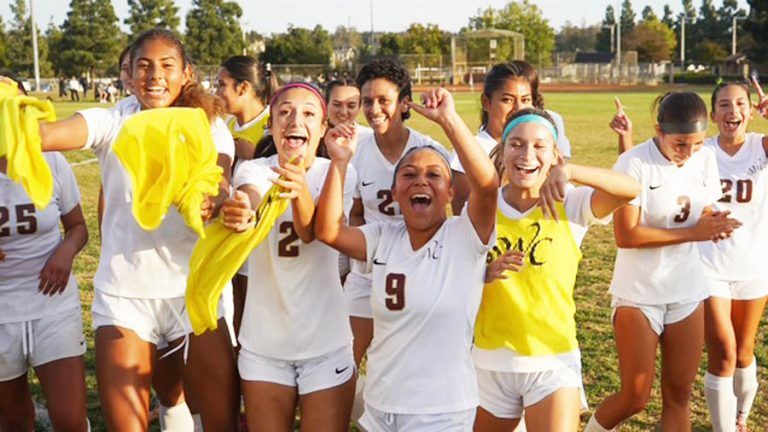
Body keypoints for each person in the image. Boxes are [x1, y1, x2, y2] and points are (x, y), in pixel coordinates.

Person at [20, 28, 240, 431]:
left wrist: (214, 199)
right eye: (144, 65)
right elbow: (46, 136)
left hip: (195, 291)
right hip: (125, 296)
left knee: (218, 420)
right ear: (129, 74)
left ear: (186, 73)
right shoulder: (113, 120)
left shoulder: (208, 124)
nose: (155, 76)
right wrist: (10, 110)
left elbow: (219, 179)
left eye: (167, 66)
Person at [315, 87, 497, 430]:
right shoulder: (384, 236)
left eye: (434, 175)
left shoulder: (465, 236)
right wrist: (339, 162)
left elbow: (487, 185)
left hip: (441, 412)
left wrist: (448, 120)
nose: (421, 181)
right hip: (381, 406)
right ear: (395, 192)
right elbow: (329, 232)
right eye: (409, 175)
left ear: (451, 192)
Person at [473, 108, 639, 431]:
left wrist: (572, 171)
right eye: (516, 144)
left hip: (552, 361)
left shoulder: (570, 203)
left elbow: (630, 189)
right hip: (489, 363)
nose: (527, 155)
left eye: (540, 146)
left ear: (554, 156)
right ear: (502, 151)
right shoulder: (483, 205)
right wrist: (483, 273)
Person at [585, 92, 742, 431]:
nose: (689, 152)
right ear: (659, 130)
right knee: (635, 397)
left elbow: (701, 209)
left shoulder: (705, 157)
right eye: (680, 144)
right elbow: (626, 235)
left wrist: (715, 222)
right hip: (639, 293)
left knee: (679, 396)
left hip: (686, 290)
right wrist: (694, 233)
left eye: (697, 143)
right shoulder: (634, 163)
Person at [221, 82, 357, 431]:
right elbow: (250, 196)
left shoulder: (337, 170)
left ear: (323, 128)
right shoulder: (254, 169)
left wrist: (299, 191)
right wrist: (241, 209)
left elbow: (315, 232)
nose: (295, 120)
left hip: (326, 344)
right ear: (270, 126)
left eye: (308, 114)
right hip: (264, 346)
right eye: (284, 112)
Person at [0, 75, 90, 432]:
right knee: (13, 418)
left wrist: (65, 252)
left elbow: (78, 226)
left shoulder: (50, 161)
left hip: (52, 304)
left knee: (70, 420)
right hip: (2, 308)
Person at [698, 80, 768, 432]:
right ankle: (722, 428)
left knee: (743, 352)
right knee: (722, 352)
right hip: (708, 267)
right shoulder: (702, 151)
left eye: (740, 103)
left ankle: (741, 416)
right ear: (713, 115)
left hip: (754, 266)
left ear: (751, 112)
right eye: (724, 104)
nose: (732, 110)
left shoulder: (761, 147)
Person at [451, 61, 572, 215]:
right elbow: (464, 210)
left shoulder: (545, 138)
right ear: (486, 102)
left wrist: (568, 171)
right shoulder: (470, 147)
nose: (518, 108)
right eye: (507, 100)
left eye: (525, 100)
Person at [215, 54, 278, 345]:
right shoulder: (224, 125)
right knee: (236, 311)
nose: (216, 91)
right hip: (230, 230)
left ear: (243, 88)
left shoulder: (272, 122)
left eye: (221, 84)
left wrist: (252, 153)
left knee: (261, 316)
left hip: (262, 235)